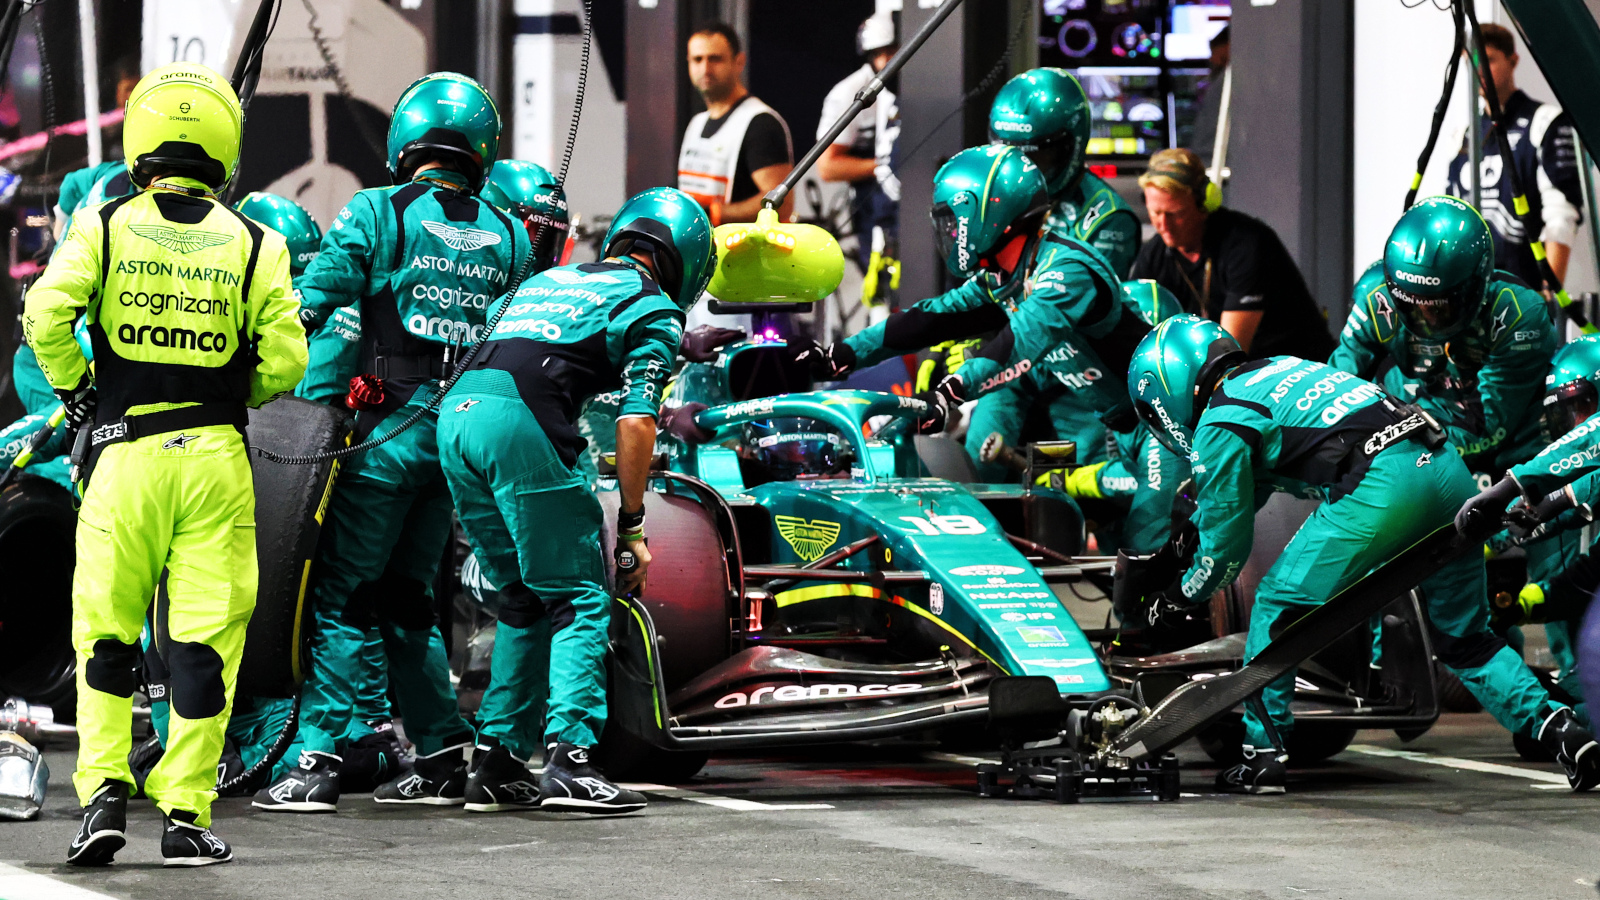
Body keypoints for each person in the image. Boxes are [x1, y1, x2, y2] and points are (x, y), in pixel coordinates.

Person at [24, 62, 307, 864]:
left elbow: (45, 312)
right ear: (225, 149)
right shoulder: (261, 242)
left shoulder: (106, 223)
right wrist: (227, 385)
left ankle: (103, 800)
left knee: (107, 638)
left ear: (140, 141)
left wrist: (80, 394)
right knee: (203, 648)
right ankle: (186, 817)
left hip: (124, 459)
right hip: (215, 459)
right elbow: (288, 361)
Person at [1127, 315, 1597, 795]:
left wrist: (1178, 596)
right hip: (1444, 471)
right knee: (1465, 640)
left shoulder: (1220, 420)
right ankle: (1564, 731)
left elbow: (1225, 555)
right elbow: (1259, 490)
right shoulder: (1281, 368)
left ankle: (1261, 756)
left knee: (1276, 605)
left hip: (1380, 487)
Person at [253, 72, 533, 813]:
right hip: (461, 442)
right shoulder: (510, 234)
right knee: (410, 599)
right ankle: (442, 753)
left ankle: (314, 760)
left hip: (385, 435)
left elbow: (310, 303)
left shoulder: (376, 210)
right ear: (481, 149)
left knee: (343, 598)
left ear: (406, 140)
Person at [442, 187, 711, 813]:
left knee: (521, 597)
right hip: (518, 423)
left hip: (454, 418)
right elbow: (638, 422)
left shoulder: (550, 280)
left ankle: (499, 762)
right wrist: (636, 528)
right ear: (688, 264)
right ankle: (570, 760)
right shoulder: (652, 307)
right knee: (580, 593)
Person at [788, 145, 1151, 477]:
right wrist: (846, 354)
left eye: (951, 220)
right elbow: (932, 318)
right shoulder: (1006, 274)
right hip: (1124, 423)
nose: (948, 231)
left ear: (984, 215)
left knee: (1146, 541)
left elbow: (1020, 340)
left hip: (1159, 421)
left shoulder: (1067, 270)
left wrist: (948, 394)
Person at [1331, 197, 1553, 473]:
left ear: (1477, 286)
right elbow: (1335, 388)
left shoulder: (1518, 316)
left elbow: (1489, 429)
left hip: (1500, 455)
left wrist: (1394, 451)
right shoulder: (1376, 297)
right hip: (1408, 430)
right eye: (1410, 303)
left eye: (1439, 306)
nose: (1426, 319)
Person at [1129, 148, 1333, 361]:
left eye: (1175, 214)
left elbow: (1228, 354)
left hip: (1294, 369)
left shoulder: (1247, 244)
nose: (1163, 226)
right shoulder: (1155, 253)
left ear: (1205, 202)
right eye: (1155, 213)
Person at [1446, 22, 1581, 288]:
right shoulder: (1463, 133)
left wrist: (1548, 294)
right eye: (1471, 63)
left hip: (1524, 293)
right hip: (1470, 295)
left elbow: (1562, 214)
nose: (1480, 71)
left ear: (1513, 60)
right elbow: (1451, 215)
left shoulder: (1546, 121)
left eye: (1489, 60)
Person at [990, 68, 1140, 278]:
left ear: (1073, 145)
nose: (1021, 174)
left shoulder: (1109, 219)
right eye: (1011, 157)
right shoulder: (990, 199)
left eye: (1035, 158)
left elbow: (1078, 305)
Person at [678, 22, 794, 226]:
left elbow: (782, 203)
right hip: (704, 249)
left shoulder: (760, 123)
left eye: (715, 59)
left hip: (744, 253)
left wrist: (713, 214)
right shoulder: (697, 123)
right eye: (697, 59)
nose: (705, 69)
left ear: (739, 62)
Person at [818, 14, 898, 273]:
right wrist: (886, 165)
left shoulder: (924, 85)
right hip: (873, 209)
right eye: (879, 53)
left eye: (893, 50)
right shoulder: (848, 94)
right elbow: (828, 167)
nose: (887, 61)